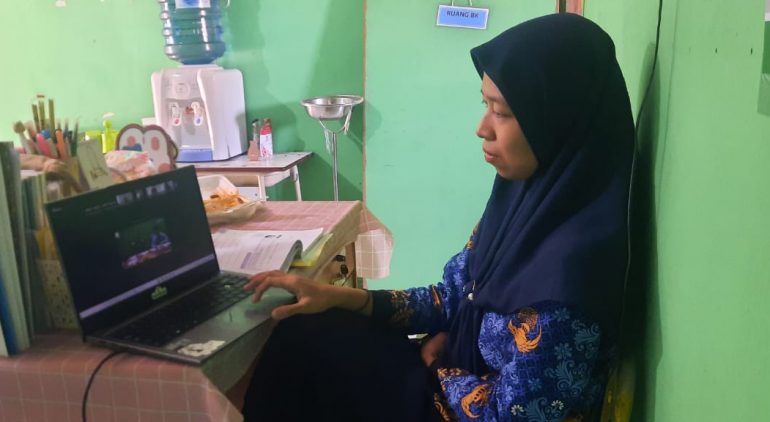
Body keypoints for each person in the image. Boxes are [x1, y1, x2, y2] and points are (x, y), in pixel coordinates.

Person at [241, 12, 634, 422]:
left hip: (452, 403)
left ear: (557, 121)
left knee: (310, 368)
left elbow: (506, 417)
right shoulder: (523, 205)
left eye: (501, 112)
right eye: (485, 105)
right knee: (308, 330)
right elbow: (454, 296)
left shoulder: (569, 284)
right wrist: (342, 298)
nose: (482, 128)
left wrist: (437, 367)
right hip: (449, 372)